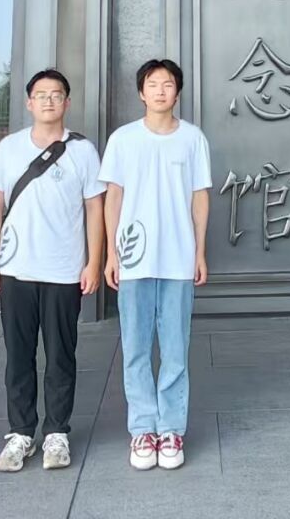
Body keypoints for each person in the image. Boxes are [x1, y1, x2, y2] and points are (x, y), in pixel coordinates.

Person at [0, 68, 105, 473]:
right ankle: (20, 433)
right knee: (18, 356)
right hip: (15, 268)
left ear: (67, 102)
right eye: (41, 94)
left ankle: (56, 432)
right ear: (28, 102)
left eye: (56, 94)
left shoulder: (82, 151)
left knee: (60, 356)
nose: (48, 100)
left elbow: (95, 209)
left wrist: (93, 262)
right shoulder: (9, 148)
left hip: (64, 270)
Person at [99, 58, 210, 472]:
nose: (160, 90)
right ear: (141, 92)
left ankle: (171, 429)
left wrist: (199, 252)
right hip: (134, 258)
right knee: (135, 348)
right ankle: (143, 429)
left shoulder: (192, 138)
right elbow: (113, 197)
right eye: (152, 84)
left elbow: (200, 197)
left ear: (177, 92)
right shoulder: (124, 139)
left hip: (178, 257)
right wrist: (111, 253)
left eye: (167, 84)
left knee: (176, 348)